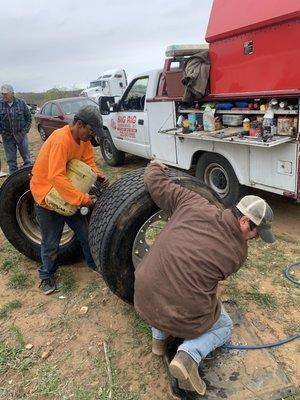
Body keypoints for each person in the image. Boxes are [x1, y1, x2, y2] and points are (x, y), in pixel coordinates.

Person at [134, 159, 275, 396]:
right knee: (224, 325)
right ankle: (189, 356)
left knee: (166, 282)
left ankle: (158, 340)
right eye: (256, 233)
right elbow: (205, 285)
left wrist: (154, 166)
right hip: (179, 311)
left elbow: (155, 183)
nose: (255, 239)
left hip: (143, 294)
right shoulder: (238, 253)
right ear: (243, 221)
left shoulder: (192, 202)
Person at [30, 106, 108, 295]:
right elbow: (56, 177)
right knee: (50, 242)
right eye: (91, 131)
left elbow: (88, 161)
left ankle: (92, 264)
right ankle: (46, 275)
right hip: (48, 197)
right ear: (79, 124)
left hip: (69, 195)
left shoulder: (83, 141)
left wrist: (98, 175)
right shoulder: (60, 139)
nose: (91, 136)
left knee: (85, 233)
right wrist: (82, 198)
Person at [0, 84, 32, 174]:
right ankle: (13, 180)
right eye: (3, 94)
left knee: (27, 158)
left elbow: (29, 117)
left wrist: (25, 131)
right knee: (11, 161)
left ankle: (28, 176)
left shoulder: (21, 103)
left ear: (12, 93)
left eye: (6, 94)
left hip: (21, 135)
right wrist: (1, 133)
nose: (4, 96)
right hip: (7, 137)